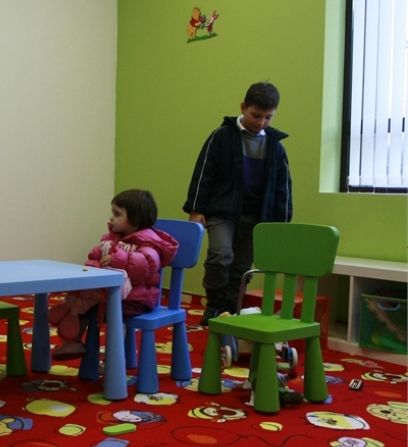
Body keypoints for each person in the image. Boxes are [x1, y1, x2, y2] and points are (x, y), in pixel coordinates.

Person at [183, 81, 292, 326]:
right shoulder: (221, 136)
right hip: (223, 212)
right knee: (220, 255)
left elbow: (282, 189)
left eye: (268, 117)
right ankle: (214, 305)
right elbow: (204, 173)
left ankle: (230, 309)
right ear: (243, 107)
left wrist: (281, 226)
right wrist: (196, 209)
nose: (261, 122)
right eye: (256, 115)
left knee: (241, 268)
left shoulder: (276, 148)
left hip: (256, 216)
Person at [48, 189, 178, 360]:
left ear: (135, 220)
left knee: (114, 313)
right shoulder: (111, 240)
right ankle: (73, 343)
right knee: (83, 305)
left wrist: (119, 259)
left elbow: (144, 267)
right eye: (112, 213)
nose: (111, 218)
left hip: (137, 298)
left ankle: (115, 357)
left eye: (117, 214)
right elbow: (96, 257)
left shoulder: (149, 243)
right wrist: (94, 265)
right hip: (109, 294)